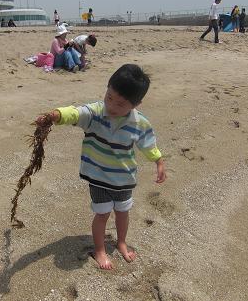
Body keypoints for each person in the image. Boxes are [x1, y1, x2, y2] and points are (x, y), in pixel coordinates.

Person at [35, 64, 166, 269]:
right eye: (109, 97)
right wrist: (56, 115)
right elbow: (77, 113)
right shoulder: (96, 113)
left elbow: (148, 144)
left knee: (123, 212)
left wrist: (158, 161)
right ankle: (100, 250)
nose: (112, 106)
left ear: (136, 104)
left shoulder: (139, 123)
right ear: (107, 89)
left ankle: (121, 242)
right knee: (102, 214)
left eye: (121, 104)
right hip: (98, 177)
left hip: (124, 178)